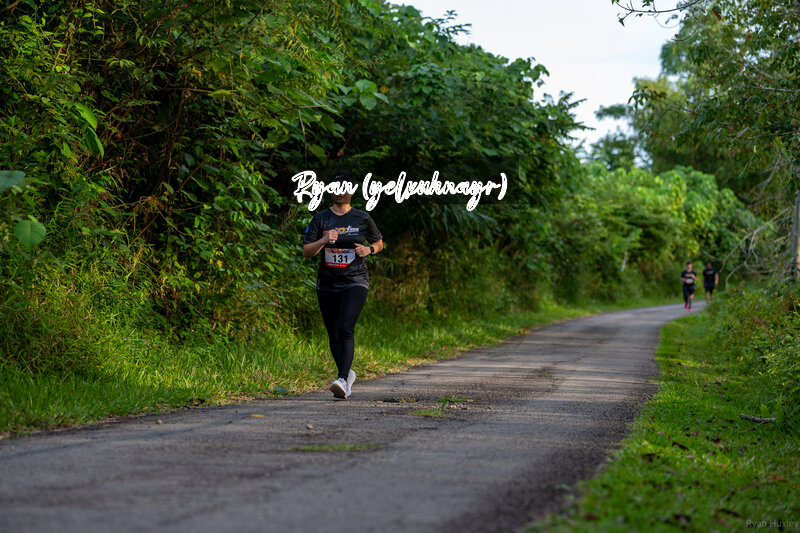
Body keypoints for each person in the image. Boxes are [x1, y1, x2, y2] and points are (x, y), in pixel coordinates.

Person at [302, 171, 384, 399]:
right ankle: (346, 375)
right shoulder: (320, 219)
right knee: (333, 332)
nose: (339, 192)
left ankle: (341, 379)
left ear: (352, 190)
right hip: (327, 283)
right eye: (335, 188)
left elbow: (379, 243)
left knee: (345, 327)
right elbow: (307, 252)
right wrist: (323, 240)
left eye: (344, 188)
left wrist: (369, 249)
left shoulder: (362, 218)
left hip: (355, 281)